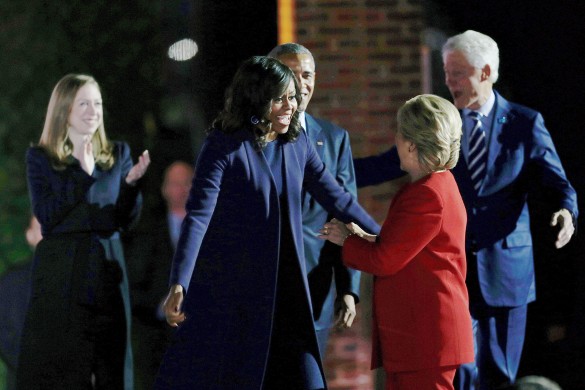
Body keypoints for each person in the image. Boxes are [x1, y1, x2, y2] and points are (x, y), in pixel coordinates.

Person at [352, 30, 578, 389]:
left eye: (457, 73)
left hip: (507, 274)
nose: (449, 81)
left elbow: (557, 182)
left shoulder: (524, 123)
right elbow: (385, 165)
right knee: (461, 375)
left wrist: (566, 211)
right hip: (454, 276)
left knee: (500, 376)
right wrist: (324, 168)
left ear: (485, 73)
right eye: (445, 72)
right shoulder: (443, 125)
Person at [154, 56, 380, 390]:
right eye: (282, 98)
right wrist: (180, 282)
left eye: (293, 96)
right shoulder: (223, 145)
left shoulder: (297, 142)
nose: (293, 105)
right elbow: (199, 216)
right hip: (239, 300)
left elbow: (338, 198)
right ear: (258, 99)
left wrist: (384, 235)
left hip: (288, 296)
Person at [321, 94, 474, 389]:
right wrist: (364, 237)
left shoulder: (427, 193)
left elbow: (385, 260)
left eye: (400, 133)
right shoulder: (436, 184)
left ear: (412, 144)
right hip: (422, 337)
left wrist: (346, 241)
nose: (396, 140)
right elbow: (411, 247)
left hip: (426, 338)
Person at [16, 74, 150, 390]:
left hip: (107, 272)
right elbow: (48, 216)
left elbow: (123, 220)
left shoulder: (117, 153)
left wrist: (130, 185)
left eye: (98, 104)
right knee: (63, 370)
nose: (93, 111)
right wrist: (83, 172)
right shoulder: (41, 158)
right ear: (64, 109)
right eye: (84, 103)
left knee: (111, 368)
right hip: (63, 277)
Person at [267, 42, 360, 359]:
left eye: (307, 75)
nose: (302, 84)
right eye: (292, 75)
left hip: (314, 290)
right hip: (261, 293)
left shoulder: (334, 139)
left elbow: (347, 217)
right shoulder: (249, 139)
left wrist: (348, 288)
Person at [126, 161, 193, 390]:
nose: (181, 190)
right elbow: (133, 289)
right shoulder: (148, 235)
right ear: (164, 189)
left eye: (187, 183)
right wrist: (161, 306)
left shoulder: (215, 229)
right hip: (161, 346)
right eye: (175, 184)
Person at [0, 216, 41, 390]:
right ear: (29, 235)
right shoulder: (12, 282)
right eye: (41, 228)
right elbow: (6, 336)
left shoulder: (80, 281)